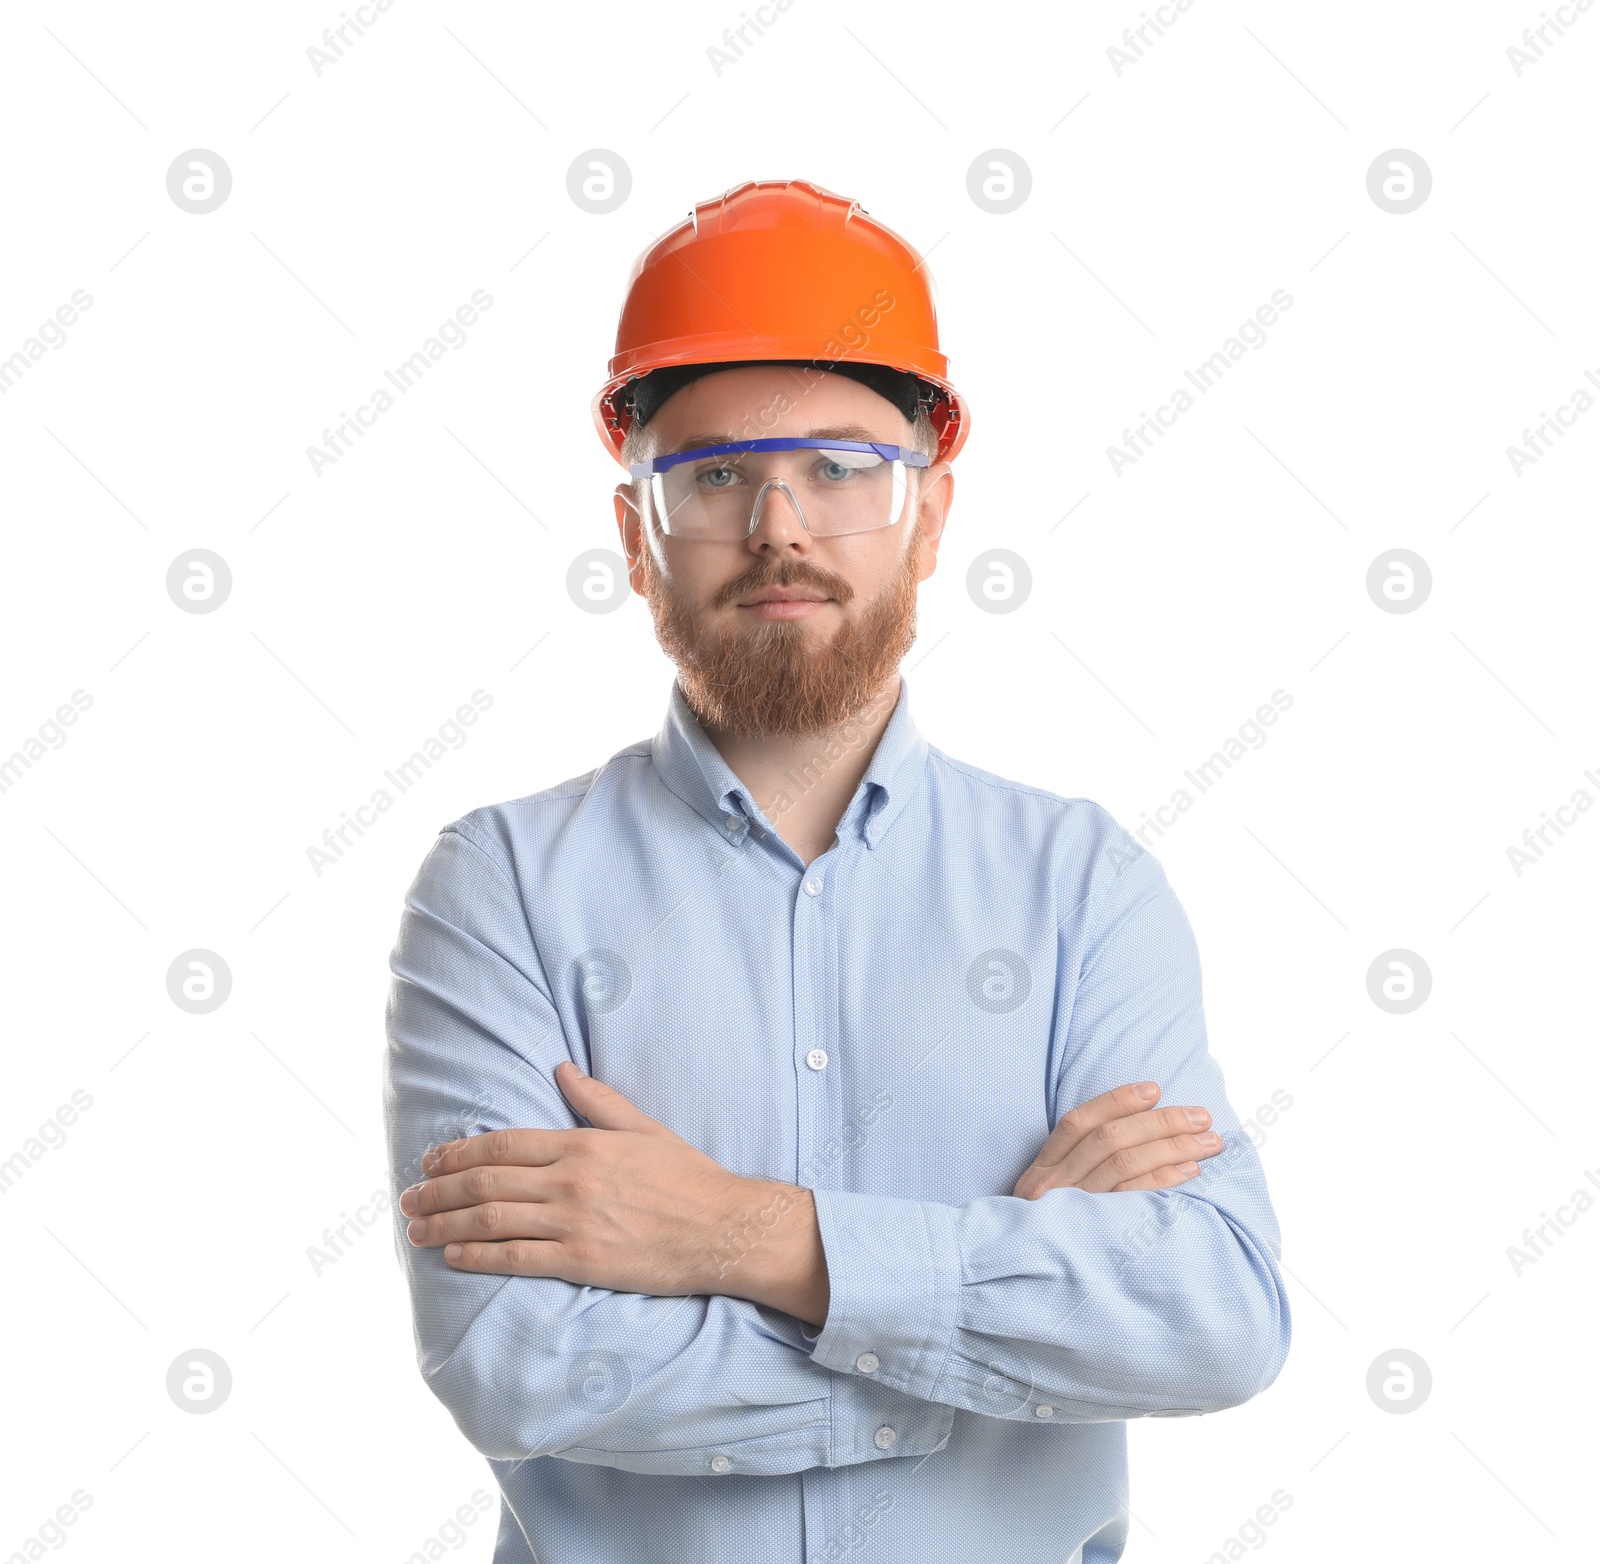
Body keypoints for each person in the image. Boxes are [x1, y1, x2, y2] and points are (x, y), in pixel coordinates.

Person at [384, 178, 1290, 1564]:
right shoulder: (498, 889)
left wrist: (738, 1238)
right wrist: (984, 1311)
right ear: (638, 537)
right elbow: (515, 1365)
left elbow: (1214, 1315)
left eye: (842, 469)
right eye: (716, 476)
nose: (780, 528)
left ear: (928, 520)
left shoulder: (1083, 888)